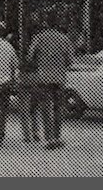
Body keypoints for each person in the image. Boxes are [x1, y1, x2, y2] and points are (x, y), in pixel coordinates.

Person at [26, 12, 75, 150]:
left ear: (46, 23)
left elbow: (30, 57)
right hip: (59, 78)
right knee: (58, 107)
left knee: (45, 107)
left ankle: (49, 138)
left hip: (43, 78)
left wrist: (40, 62)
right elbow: (70, 61)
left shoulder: (39, 37)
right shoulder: (64, 39)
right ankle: (57, 136)